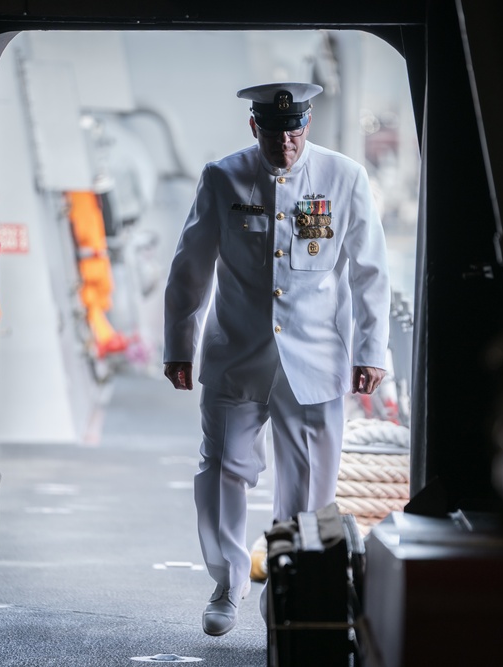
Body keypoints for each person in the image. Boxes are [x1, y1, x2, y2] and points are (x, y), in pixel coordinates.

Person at [163, 82, 391, 636]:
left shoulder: (344, 177)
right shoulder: (224, 177)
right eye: (273, 133)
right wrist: (178, 344)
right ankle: (228, 581)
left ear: (306, 126)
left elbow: (369, 273)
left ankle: (290, 587)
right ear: (254, 128)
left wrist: (371, 351)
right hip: (235, 353)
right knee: (222, 469)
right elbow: (190, 266)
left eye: (294, 132)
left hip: (314, 358)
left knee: (309, 487)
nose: (285, 144)